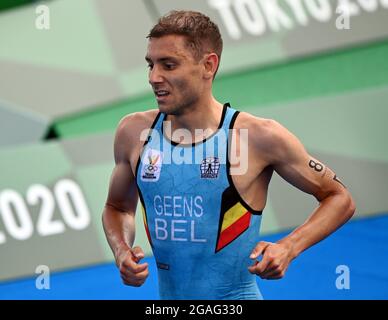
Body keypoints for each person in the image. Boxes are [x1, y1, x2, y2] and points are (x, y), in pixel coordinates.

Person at [102, 10, 356, 300]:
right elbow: (118, 208)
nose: (153, 77)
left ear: (208, 65)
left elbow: (339, 198)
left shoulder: (259, 137)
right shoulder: (133, 132)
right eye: (151, 65)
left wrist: (289, 246)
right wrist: (121, 249)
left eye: (168, 65)